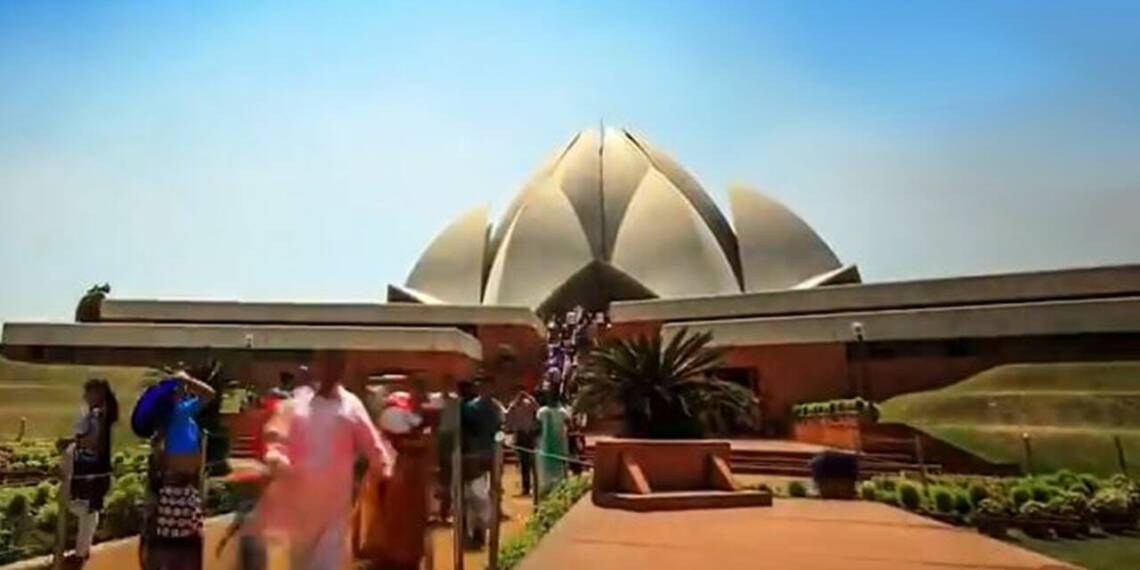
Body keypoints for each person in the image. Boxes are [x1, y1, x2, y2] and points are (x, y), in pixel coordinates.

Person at [259, 351, 394, 570]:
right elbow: (277, 434)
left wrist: (385, 471)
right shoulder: (297, 401)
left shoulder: (350, 405)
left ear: (343, 368)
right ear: (317, 365)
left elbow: (374, 445)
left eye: (337, 363)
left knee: (328, 561)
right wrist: (276, 456)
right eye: (326, 361)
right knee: (300, 562)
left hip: (334, 506)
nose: (331, 368)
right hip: (299, 502)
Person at [355, 382, 434, 570]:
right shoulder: (395, 418)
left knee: (410, 515)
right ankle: (390, 554)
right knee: (389, 513)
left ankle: (405, 554)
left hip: (412, 475)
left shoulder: (420, 420)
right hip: (397, 471)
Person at [143, 369, 216, 570]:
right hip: (176, 488)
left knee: (181, 542)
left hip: (184, 486)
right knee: (178, 544)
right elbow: (210, 394)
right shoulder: (179, 412)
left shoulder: (183, 415)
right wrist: (187, 380)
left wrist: (184, 381)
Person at [57, 378, 119, 563]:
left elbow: (93, 442)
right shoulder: (104, 413)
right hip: (96, 468)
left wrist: (71, 442)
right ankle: (82, 550)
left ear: (97, 393)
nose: (85, 397)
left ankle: (80, 552)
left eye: (88, 393)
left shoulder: (98, 414)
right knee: (89, 509)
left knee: (80, 506)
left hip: (91, 468)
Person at [459, 376, 503, 549]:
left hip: (473, 455)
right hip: (481, 454)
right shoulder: (489, 406)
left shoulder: (469, 407)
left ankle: (475, 534)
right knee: (475, 495)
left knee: (471, 497)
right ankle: (477, 534)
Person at [503, 386, 539, 496]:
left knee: (530, 462)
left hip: (528, 434)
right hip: (521, 435)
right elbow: (508, 415)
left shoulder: (527, 402)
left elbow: (537, 408)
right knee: (524, 463)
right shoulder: (514, 404)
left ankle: (532, 486)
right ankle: (526, 487)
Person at [536, 393, 571, 496]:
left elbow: (568, 424)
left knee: (558, 466)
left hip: (558, 443)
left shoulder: (562, 411)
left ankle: (558, 488)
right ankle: (548, 488)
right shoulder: (543, 411)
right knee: (547, 466)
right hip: (546, 443)